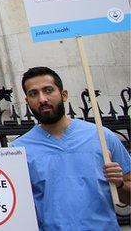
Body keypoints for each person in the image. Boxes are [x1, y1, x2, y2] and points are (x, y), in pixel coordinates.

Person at [11, 66, 130, 230]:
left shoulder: (102, 137)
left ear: (64, 94)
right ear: (27, 101)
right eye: (33, 93)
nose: (42, 99)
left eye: (48, 90)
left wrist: (119, 184)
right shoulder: (18, 150)